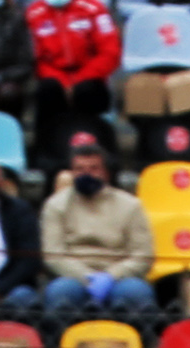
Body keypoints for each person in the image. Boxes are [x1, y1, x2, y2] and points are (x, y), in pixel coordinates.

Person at [32, 124, 152, 317]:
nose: (86, 174)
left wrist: (110, 276)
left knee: (135, 292)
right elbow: (53, 255)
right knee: (61, 292)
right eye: (79, 169)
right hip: (73, 276)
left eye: (93, 168)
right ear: (71, 172)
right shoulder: (55, 205)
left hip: (119, 277)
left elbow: (143, 255)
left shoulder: (131, 205)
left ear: (106, 173)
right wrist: (87, 277)